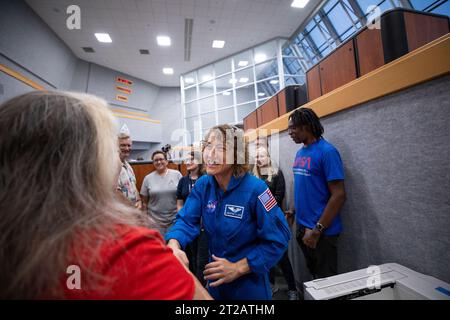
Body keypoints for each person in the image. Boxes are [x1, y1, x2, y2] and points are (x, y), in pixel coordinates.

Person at [0, 91, 211, 300]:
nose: (119, 159)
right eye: (112, 149)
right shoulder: (128, 249)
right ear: (87, 163)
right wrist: (172, 263)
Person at [165, 124, 291, 300]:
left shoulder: (257, 190)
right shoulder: (203, 185)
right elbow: (186, 221)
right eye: (208, 146)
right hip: (216, 283)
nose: (210, 154)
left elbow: (279, 239)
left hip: (249, 286)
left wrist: (239, 267)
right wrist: (173, 244)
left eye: (221, 148)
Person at [287, 108, 346, 280]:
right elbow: (305, 187)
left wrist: (317, 230)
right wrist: (293, 210)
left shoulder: (327, 152)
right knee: (315, 278)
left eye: (293, 128)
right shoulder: (300, 152)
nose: (290, 132)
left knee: (327, 283)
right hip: (302, 228)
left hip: (321, 232)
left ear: (307, 126)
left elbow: (339, 195)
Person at [253, 146, 299, 300]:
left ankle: (293, 289)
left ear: (269, 157)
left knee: (282, 256)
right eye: (257, 156)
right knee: (264, 255)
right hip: (257, 222)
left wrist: (259, 197)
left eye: (262, 156)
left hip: (274, 221)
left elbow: (277, 199)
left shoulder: (277, 174)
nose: (259, 159)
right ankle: (270, 285)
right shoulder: (253, 176)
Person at [176, 150, 208, 286]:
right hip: (189, 224)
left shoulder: (206, 179)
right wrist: (185, 217)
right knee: (191, 257)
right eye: (186, 160)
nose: (188, 162)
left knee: (202, 259)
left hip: (203, 226)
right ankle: (192, 284)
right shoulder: (183, 180)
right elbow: (179, 203)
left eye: (191, 159)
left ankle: (202, 285)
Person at [140, 151, 182, 236]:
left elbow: (182, 197)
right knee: (159, 246)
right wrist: (145, 221)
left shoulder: (177, 174)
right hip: (155, 222)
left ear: (166, 161)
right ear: (153, 163)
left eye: (161, 159)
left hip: (174, 220)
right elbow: (144, 202)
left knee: (173, 246)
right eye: (156, 160)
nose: (159, 162)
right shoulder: (148, 178)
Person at [117, 133, 142, 209]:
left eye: (129, 145)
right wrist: (131, 208)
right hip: (121, 212)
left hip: (132, 211)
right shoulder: (111, 166)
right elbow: (115, 192)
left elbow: (134, 187)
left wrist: (139, 201)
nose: (127, 148)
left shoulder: (128, 166)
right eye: (123, 145)